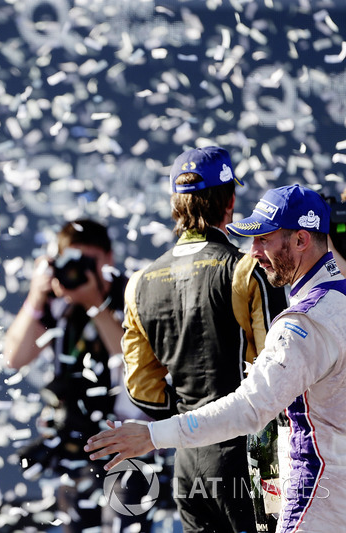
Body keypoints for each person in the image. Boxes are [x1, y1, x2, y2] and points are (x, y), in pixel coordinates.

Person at [86, 184, 346, 532]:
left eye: (264, 239)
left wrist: (153, 435)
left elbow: (250, 409)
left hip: (316, 503)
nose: (253, 251)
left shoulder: (303, 324)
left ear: (300, 240)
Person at [116, 146, 288, 533]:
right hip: (250, 457)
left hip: (188, 462)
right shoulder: (247, 269)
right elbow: (279, 372)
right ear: (229, 201)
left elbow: (142, 391)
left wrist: (187, 416)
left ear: (177, 206)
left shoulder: (139, 283)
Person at [3, 219, 153, 532]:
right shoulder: (58, 302)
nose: (81, 271)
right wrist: (36, 294)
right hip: (75, 443)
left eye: (90, 262)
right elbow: (14, 358)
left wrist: (95, 306)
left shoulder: (131, 295)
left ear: (109, 260)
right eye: (73, 261)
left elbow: (135, 364)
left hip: (127, 441)